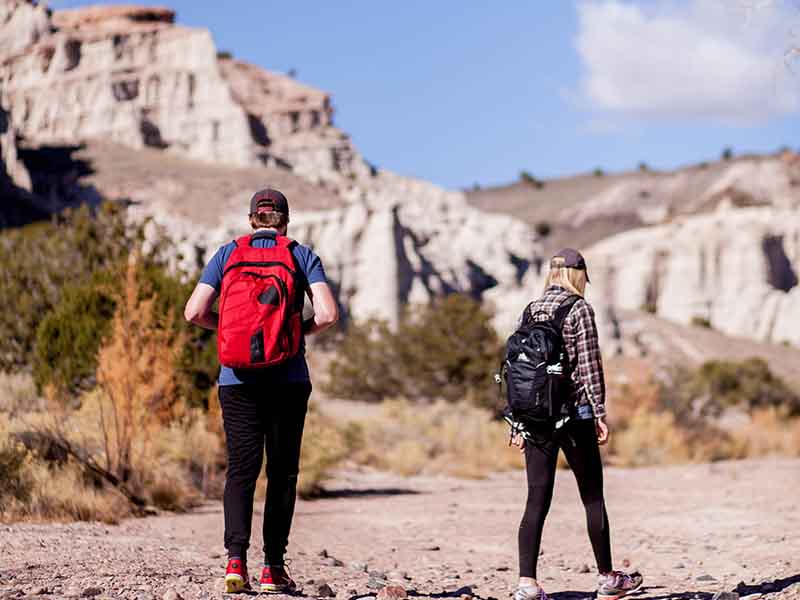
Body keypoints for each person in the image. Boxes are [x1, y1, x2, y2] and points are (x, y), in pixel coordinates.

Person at [184, 188, 339, 594]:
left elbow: (193, 311)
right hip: (288, 379)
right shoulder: (300, 255)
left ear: (252, 219)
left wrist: (233, 332)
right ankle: (273, 567)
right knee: (283, 473)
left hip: (237, 380)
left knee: (240, 471)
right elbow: (327, 314)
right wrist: (294, 333)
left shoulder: (227, 254)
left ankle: (236, 561)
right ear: (285, 220)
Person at [511, 249, 643, 600]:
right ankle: (607, 579)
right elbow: (589, 367)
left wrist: (518, 423)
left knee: (536, 498)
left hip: (536, 418)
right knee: (592, 497)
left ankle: (527, 584)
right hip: (574, 416)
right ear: (579, 274)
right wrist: (598, 412)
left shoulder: (530, 309)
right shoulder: (579, 308)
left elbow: (518, 370)